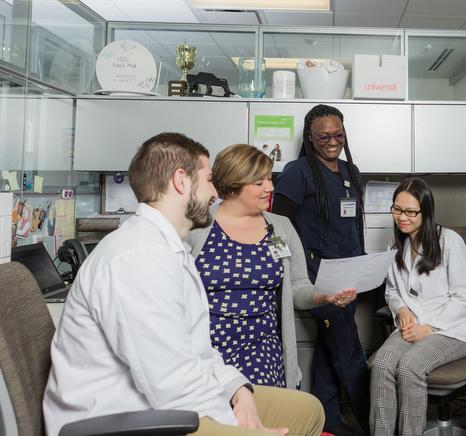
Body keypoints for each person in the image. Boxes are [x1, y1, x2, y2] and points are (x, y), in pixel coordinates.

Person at [43, 132, 324, 436]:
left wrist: (238, 391)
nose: (216, 193)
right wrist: (241, 426)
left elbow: (197, 350)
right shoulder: (140, 257)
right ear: (181, 181)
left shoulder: (172, 249)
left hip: (171, 397)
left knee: (308, 411)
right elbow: (170, 383)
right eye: (208, 181)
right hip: (125, 417)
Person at [184, 144, 356, 390]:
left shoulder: (280, 227)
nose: (270, 187)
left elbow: (297, 287)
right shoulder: (195, 228)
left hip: (262, 348)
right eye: (259, 182)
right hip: (204, 348)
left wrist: (324, 296)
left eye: (269, 178)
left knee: (264, 416)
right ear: (233, 186)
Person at [272, 104, 368, 436]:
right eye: (323, 136)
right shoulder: (298, 171)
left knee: (330, 349)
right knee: (349, 351)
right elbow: (276, 225)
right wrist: (285, 271)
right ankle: (377, 423)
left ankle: (328, 422)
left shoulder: (351, 171)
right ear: (310, 137)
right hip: (317, 278)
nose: (332, 141)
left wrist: (364, 261)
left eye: (338, 134)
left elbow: (355, 223)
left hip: (350, 272)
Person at [369, 178, 466, 436]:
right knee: (381, 364)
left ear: (425, 211)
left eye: (410, 212)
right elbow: (393, 290)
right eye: (397, 209)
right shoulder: (396, 245)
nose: (402, 217)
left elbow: (465, 298)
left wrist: (428, 328)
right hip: (412, 324)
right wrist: (401, 310)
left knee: (409, 367)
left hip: (451, 329)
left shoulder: (449, 241)